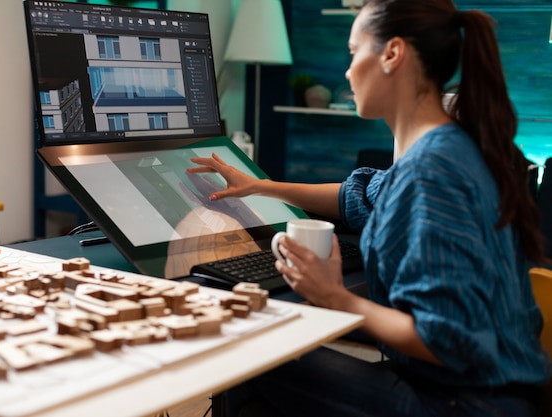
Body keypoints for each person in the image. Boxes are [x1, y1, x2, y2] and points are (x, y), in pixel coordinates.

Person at [186, 0, 552, 416]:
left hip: (468, 404)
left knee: (249, 356)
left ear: (392, 54)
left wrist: (335, 297)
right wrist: (259, 186)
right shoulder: (447, 149)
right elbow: (359, 196)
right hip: (488, 390)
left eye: (353, 51)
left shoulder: (432, 172)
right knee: (271, 343)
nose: (346, 70)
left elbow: (449, 340)